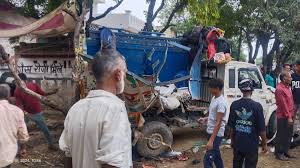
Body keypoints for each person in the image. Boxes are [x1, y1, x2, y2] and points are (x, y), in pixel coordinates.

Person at [59, 49, 132, 168]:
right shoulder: (115, 109)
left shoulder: (76, 108)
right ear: (118, 74)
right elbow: (112, 164)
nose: (125, 76)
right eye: (125, 72)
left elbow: (68, 156)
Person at [228, 79, 267, 168]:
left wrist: (232, 140)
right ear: (252, 90)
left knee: (237, 165)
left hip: (238, 143)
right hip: (251, 145)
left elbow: (231, 127)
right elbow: (262, 130)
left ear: (241, 90)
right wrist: (264, 144)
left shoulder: (234, 105)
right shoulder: (257, 106)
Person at [14, 73, 58, 150]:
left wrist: (52, 92)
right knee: (20, 130)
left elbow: (42, 93)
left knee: (45, 129)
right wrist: (24, 112)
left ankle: (51, 144)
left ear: (24, 81)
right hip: (26, 114)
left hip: (37, 112)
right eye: (16, 81)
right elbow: (19, 105)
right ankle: (17, 148)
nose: (17, 83)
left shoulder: (33, 85)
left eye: (18, 81)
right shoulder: (17, 91)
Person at [199, 78, 228, 168]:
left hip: (216, 134)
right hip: (211, 131)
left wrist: (211, 141)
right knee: (217, 157)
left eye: (211, 88)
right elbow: (214, 116)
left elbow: (218, 122)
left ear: (217, 88)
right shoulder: (214, 98)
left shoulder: (221, 103)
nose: (209, 89)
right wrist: (205, 119)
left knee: (207, 160)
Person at [0, 84, 29, 168]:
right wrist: (23, 148)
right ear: (9, 96)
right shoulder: (17, 111)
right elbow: (23, 133)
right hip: (7, 154)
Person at [275, 71, 295, 160]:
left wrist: (292, 115)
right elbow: (283, 105)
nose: (291, 79)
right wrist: (289, 117)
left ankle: (286, 151)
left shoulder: (288, 87)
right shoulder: (279, 89)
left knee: (288, 134)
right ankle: (279, 153)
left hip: (290, 115)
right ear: (284, 79)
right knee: (281, 135)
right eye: (290, 77)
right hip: (283, 116)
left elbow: (290, 102)